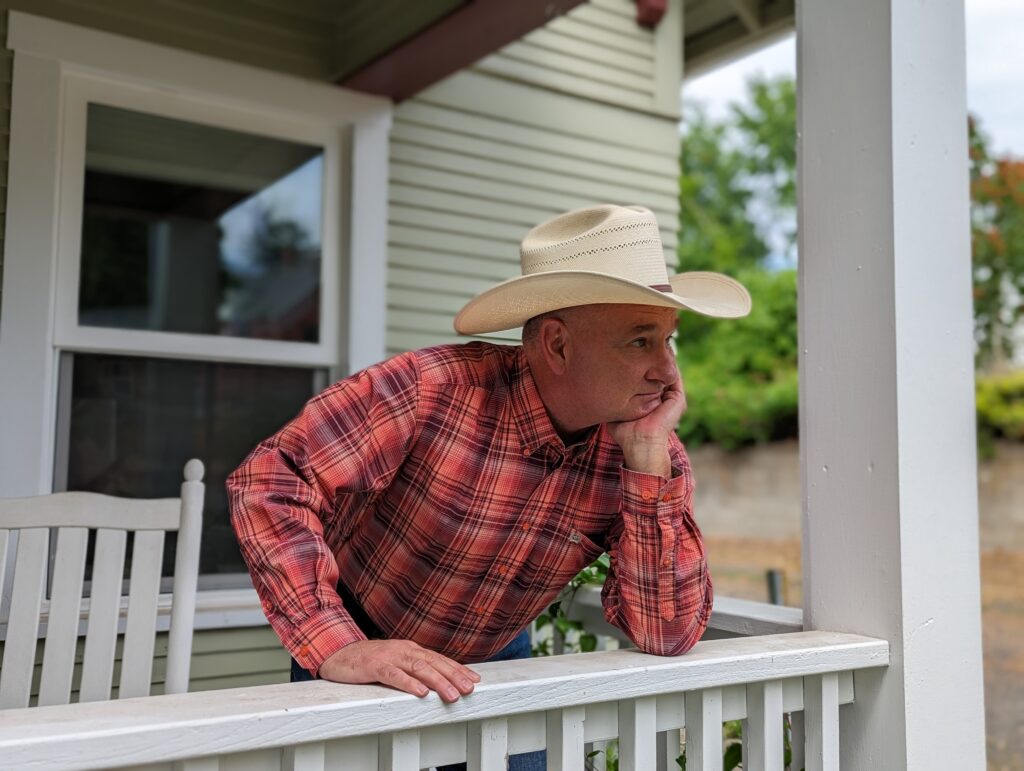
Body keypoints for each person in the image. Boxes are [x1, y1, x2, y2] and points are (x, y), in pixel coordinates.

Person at [227, 204, 750, 764]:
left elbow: (665, 634)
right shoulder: (433, 387)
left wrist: (646, 461)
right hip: (360, 644)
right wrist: (340, 645)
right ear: (557, 345)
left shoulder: (647, 448)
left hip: (495, 663)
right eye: (640, 341)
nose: (669, 373)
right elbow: (270, 481)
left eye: (669, 340)